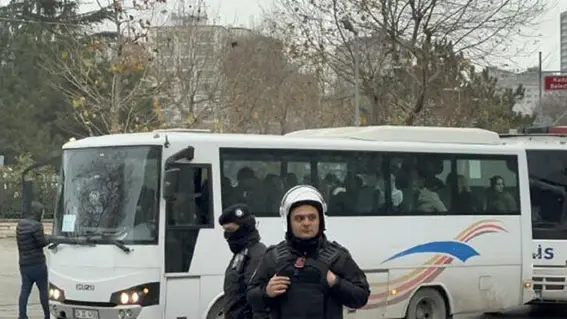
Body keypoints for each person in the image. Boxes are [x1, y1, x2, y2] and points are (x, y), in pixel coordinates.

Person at [247, 185, 370, 319]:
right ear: (288, 222)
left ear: (320, 221)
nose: (306, 223)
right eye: (299, 218)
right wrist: (266, 292)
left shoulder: (337, 256)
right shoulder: (274, 257)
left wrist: (335, 282)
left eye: (312, 218)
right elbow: (250, 296)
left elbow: (361, 296)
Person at [219, 203, 268, 319]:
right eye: (225, 232)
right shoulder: (241, 253)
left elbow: (255, 297)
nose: (228, 236)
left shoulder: (257, 254)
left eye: (230, 230)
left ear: (245, 228)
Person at [16, 201, 51, 319]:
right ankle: (47, 315)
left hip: (24, 264)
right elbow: (42, 242)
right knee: (43, 291)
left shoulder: (20, 224)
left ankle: (22, 315)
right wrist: (49, 238)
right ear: (38, 213)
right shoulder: (36, 226)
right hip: (37, 264)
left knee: (25, 290)